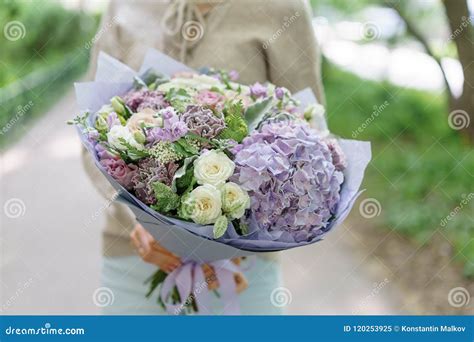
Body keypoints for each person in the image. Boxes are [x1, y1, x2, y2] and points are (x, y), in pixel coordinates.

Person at [83, 0, 325, 315]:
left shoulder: (284, 8)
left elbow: (310, 135)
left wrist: (238, 240)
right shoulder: (123, 4)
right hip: (136, 256)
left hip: (243, 268)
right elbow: (92, 131)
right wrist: (142, 223)